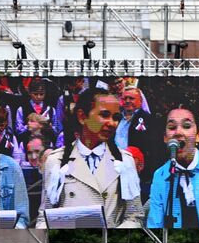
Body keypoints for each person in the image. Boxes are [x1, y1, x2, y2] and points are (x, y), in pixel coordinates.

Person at [40, 87, 142, 228]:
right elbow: (44, 217)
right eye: (104, 115)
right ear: (82, 117)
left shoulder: (124, 161)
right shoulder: (56, 161)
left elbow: (135, 217)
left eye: (116, 118)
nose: (112, 123)